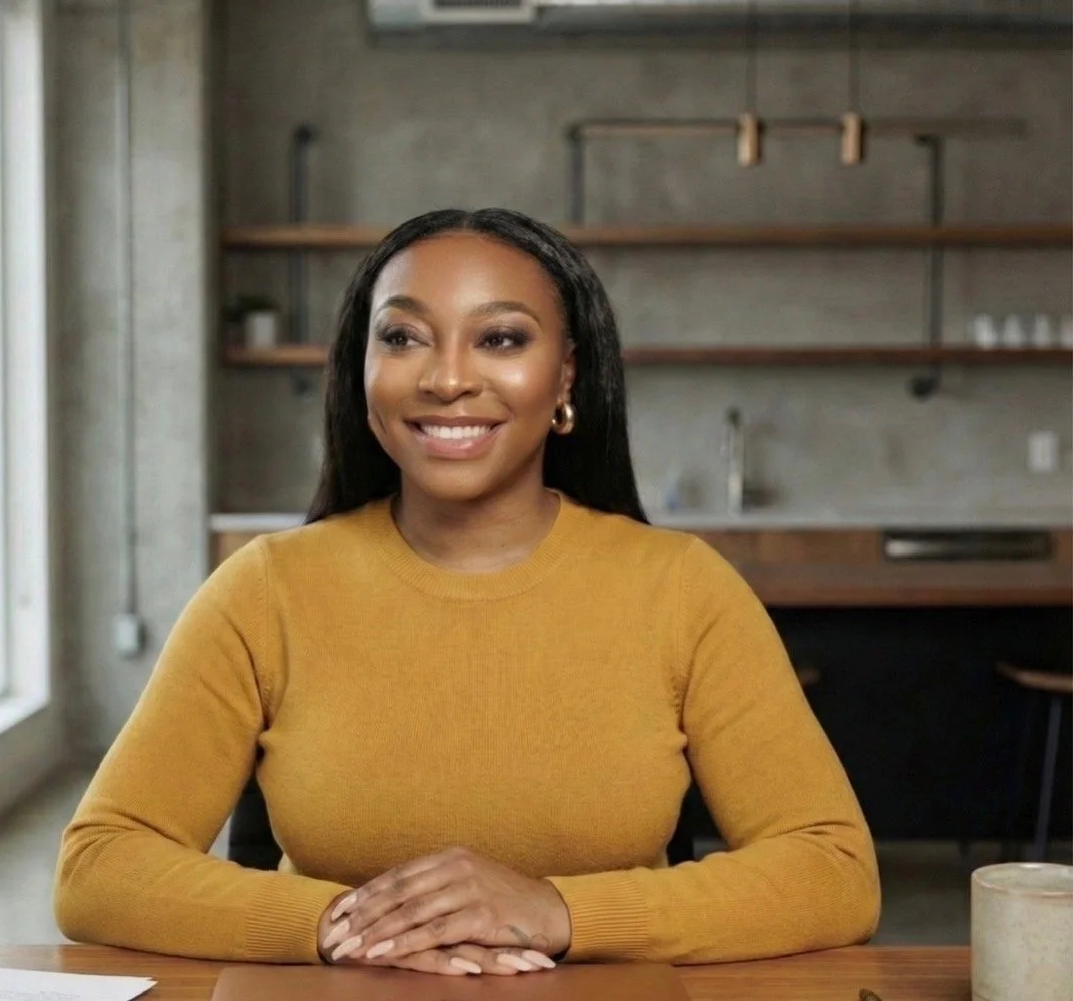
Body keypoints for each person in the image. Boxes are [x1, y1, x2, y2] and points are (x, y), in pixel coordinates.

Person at [54, 207, 880, 976]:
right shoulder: (265, 589)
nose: (448, 379)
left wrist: (558, 910)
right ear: (363, 370)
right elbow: (100, 865)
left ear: (565, 377)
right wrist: (350, 923)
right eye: (405, 336)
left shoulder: (682, 588)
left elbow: (834, 871)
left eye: (500, 338)